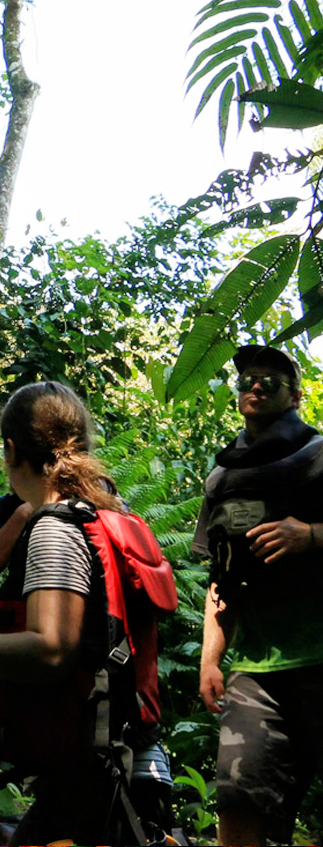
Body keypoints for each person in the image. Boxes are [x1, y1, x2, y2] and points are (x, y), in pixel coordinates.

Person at [0, 381, 167, 846]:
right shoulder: (111, 516)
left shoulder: (56, 530)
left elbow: (51, 649)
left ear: (12, 449)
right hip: (129, 760)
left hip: (94, 774)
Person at [194, 343, 323, 847]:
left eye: (269, 378)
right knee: (237, 802)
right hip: (255, 673)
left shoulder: (319, 456)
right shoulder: (222, 479)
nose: (254, 384)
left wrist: (309, 535)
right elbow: (218, 576)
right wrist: (211, 658)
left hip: (318, 658)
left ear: (293, 395)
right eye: (246, 377)